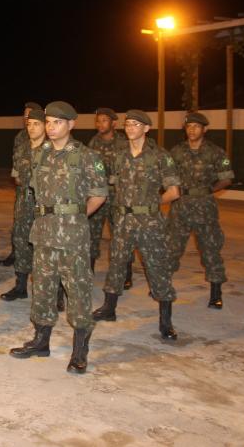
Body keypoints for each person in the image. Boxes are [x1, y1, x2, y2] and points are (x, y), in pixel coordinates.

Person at [9, 101, 107, 374]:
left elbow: (99, 194)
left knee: (77, 291)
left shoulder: (87, 156)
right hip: (43, 232)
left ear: (71, 125)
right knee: (42, 288)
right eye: (48, 122)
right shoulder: (39, 155)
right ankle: (41, 341)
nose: (51, 128)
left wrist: (76, 216)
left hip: (72, 235)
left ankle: (79, 350)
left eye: (57, 122)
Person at [92, 110, 181, 340]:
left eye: (136, 124)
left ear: (146, 128)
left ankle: (166, 321)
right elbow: (112, 184)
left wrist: (151, 204)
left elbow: (173, 191)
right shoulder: (120, 156)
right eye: (128, 124)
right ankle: (109, 308)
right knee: (117, 263)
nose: (130, 128)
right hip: (122, 220)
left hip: (149, 221)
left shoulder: (160, 156)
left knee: (157, 267)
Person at [167, 112, 235, 309]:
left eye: (197, 127)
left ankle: (216, 293)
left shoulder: (215, 152)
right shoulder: (176, 151)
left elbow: (227, 178)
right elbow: (168, 175)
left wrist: (209, 190)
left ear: (205, 129)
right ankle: (163, 285)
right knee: (172, 247)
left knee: (210, 248)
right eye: (189, 126)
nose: (192, 130)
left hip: (205, 207)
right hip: (180, 206)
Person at [1, 108, 46, 301]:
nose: (32, 128)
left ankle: (54, 292)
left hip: (45, 205)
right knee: (21, 242)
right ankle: (20, 286)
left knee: (45, 246)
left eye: (37, 124)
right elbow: (16, 177)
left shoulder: (53, 150)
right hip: (24, 202)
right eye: (29, 124)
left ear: (46, 126)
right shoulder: (22, 149)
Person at [87, 107, 129, 274]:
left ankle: (125, 273)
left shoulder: (123, 143)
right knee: (91, 234)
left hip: (117, 197)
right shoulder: (93, 142)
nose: (100, 124)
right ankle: (89, 270)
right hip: (96, 196)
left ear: (114, 123)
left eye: (104, 120)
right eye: (98, 120)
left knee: (120, 236)